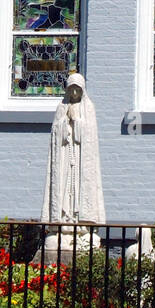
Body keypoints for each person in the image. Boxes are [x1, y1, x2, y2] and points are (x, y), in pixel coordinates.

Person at [41, 72, 105, 225]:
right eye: (72, 89)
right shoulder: (62, 107)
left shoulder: (88, 107)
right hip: (65, 154)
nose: (74, 93)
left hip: (81, 157)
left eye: (78, 89)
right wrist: (65, 122)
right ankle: (62, 219)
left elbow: (90, 135)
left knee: (79, 187)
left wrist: (76, 120)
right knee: (65, 186)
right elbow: (56, 133)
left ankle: (82, 221)